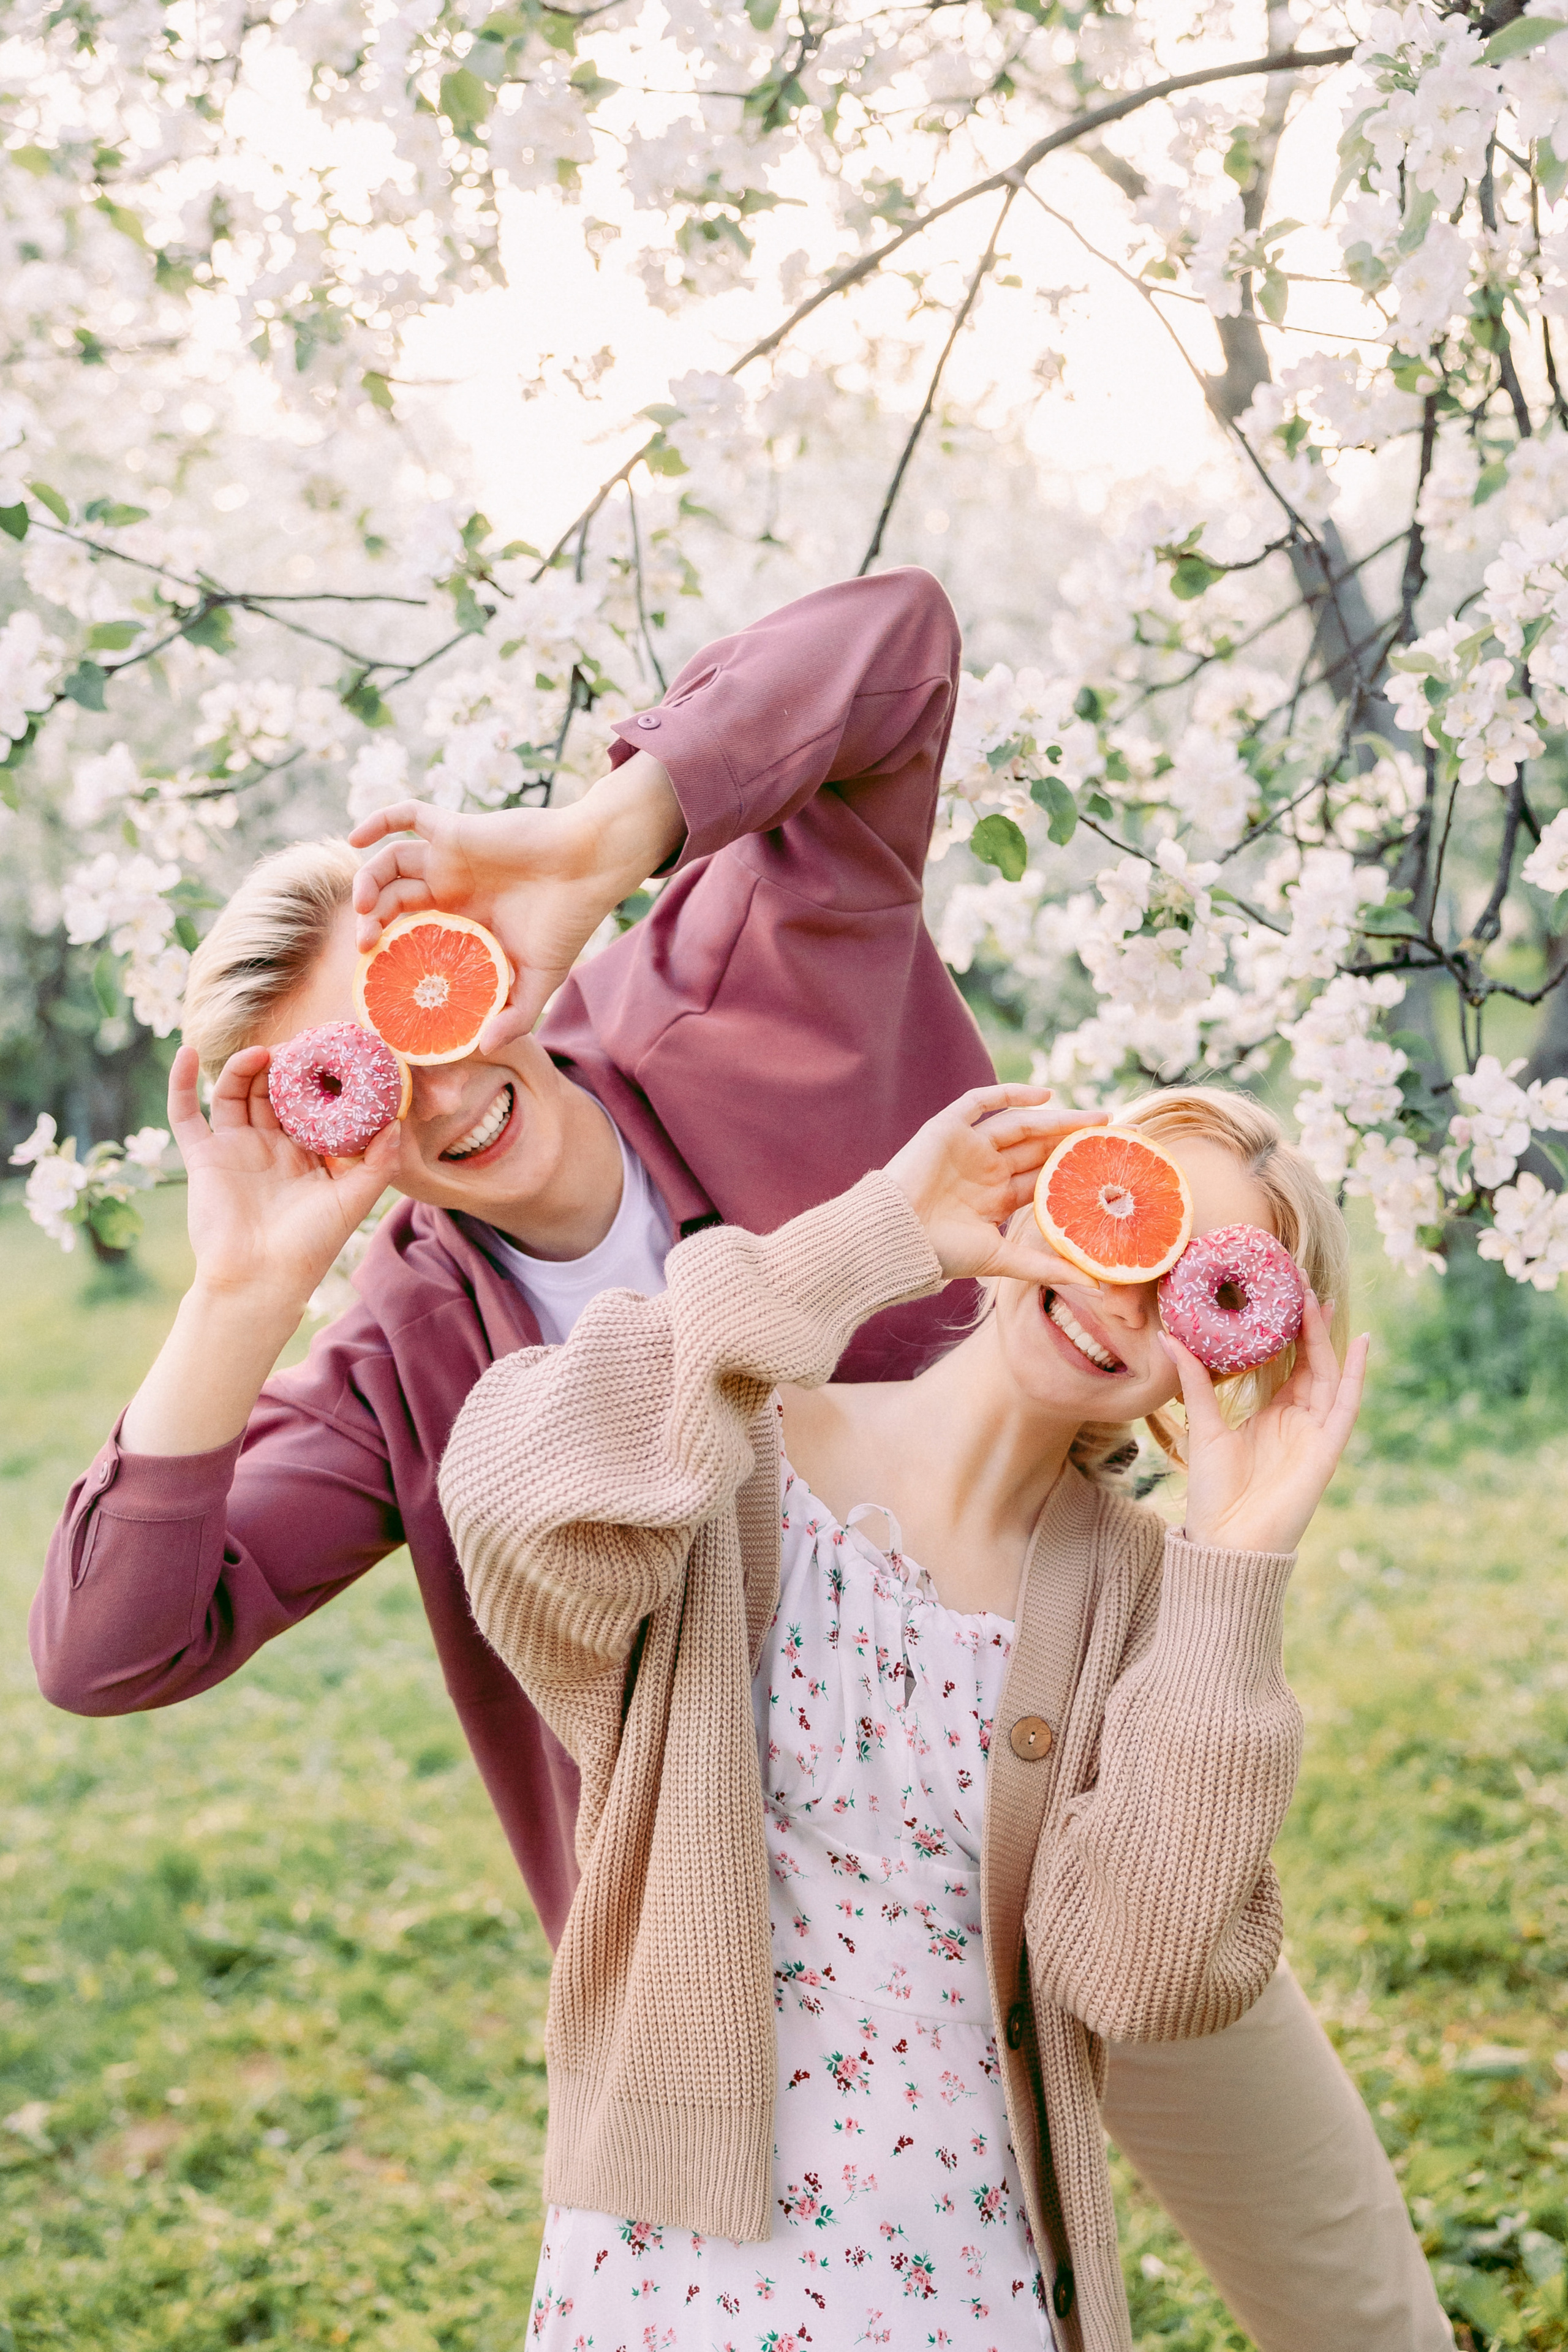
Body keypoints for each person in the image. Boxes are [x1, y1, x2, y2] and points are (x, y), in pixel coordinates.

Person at [31, 568, 1451, 2349]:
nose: (436, 1079)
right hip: (767, 1978)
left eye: (425, 993)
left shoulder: (731, 983)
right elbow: (112, 1648)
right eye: (354, 1078)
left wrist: (602, 834)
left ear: (477, 951)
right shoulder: (406, 1359)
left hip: (1085, 1754)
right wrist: (243, 1293)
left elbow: (903, 646)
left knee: (1345, 2285)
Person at [437, 1081, 1365, 2349]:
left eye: (1191, 1287)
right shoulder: (731, 1456)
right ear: (1044, 1193)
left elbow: (1136, 1974)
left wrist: (1234, 1569)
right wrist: (872, 1235)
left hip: (970, 2276)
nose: (1122, 1296)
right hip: (675, 2262)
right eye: (1118, 1219)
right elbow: (509, 1501)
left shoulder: (1152, 1599)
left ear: (1228, 1356)